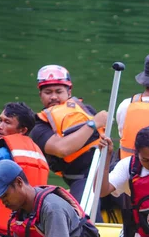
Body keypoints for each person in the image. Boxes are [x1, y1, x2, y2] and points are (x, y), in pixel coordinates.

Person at [29, 64, 108, 206]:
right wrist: (93, 124)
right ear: (40, 95)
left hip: (108, 171)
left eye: (58, 91)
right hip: (82, 178)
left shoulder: (86, 110)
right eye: (48, 92)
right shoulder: (39, 126)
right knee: (83, 217)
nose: (53, 97)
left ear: (69, 92)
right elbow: (62, 149)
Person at [0, 102, 49, 236]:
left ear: (22, 130)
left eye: (7, 122)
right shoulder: (39, 156)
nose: (0, 127)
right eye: (0, 121)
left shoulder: (1, 153)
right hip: (27, 230)